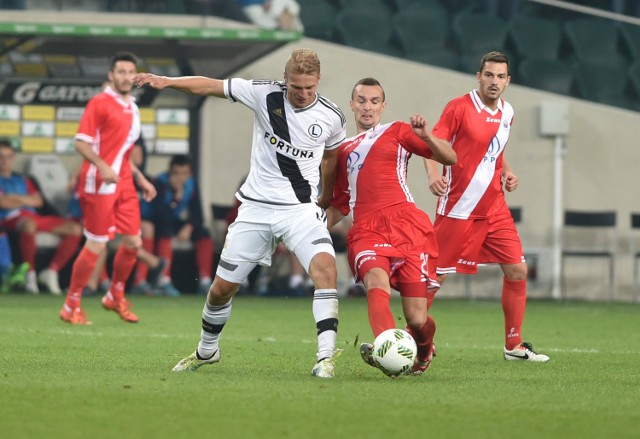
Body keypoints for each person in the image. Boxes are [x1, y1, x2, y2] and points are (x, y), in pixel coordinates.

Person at [133, 48, 346, 378]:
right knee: (220, 290)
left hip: (300, 210)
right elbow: (209, 86)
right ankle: (207, 351)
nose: (303, 94)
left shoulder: (332, 117)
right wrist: (168, 82)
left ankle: (325, 358)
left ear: (318, 81)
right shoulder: (263, 94)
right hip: (255, 209)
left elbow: (332, 158)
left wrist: (327, 198)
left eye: (309, 88)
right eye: (295, 87)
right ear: (285, 80)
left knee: (326, 272)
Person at [423, 51, 549, 362]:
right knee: (435, 276)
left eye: (500, 77)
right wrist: (434, 173)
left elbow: (495, 149)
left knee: (517, 269)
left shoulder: (507, 111)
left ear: (508, 81)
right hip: (459, 206)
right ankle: (413, 336)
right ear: (478, 76)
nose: (494, 81)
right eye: (489, 75)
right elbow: (432, 144)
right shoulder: (459, 107)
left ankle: (514, 346)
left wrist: (506, 170)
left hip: (494, 207)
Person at [326, 78, 457, 375]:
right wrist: (308, 229)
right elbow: (340, 203)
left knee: (417, 318)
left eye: (374, 101)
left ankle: (423, 353)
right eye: (361, 100)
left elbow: (450, 157)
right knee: (375, 280)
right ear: (351, 105)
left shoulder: (396, 131)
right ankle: (386, 349)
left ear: (383, 106)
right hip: (367, 229)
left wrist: (427, 136)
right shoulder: (343, 150)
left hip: (406, 225)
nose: (367, 107)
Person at [59, 51, 157, 325]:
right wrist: (102, 166)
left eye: (130, 72)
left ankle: (115, 295)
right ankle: (71, 304)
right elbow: (81, 143)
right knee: (96, 244)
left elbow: (123, 153)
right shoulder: (99, 103)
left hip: (124, 182)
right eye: (121, 72)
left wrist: (140, 178)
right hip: (99, 183)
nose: (126, 77)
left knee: (133, 242)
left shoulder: (133, 107)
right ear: (111, 75)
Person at [0, 139, 82, 295]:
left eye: (8, 156)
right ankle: (30, 274)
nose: (4, 161)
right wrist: (25, 199)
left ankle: (51, 272)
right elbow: (3, 203)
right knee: (29, 224)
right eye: (1, 156)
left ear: (13, 158)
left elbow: (38, 201)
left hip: (33, 217)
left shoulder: (25, 179)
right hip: (9, 220)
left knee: (75, 229)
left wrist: (14, 198)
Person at [139, 154, 213, 296]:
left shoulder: (192, 184)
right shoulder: (160, 183)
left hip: (172, 220)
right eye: (176, 173)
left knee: (202, 232)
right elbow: (161, 216)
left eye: (184, 173)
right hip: (153, 221)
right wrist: (176, 196)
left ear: (190, 173)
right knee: (164, 229)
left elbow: (198, 213)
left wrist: (189, 226)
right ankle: (163, 280)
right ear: (170, 173)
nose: (180, 177)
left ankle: (205, 281)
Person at [237, 0, 304, 31]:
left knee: (286, 2)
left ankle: (290, 29)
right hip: (253, 9)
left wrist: (268, 2)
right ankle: (288, 31)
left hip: (271, 13)